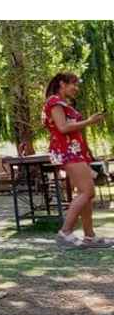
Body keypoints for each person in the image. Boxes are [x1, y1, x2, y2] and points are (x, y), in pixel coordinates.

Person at [43, 72, 109, 248]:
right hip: (68, 151)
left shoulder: (63, 103)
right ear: (62, 84)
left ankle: (89, 236)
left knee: (85, 193)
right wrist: (89, 121)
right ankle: (65, 233)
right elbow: (63, 127)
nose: (76, 88)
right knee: (88, 192)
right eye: (73, 84)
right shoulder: (54, 102)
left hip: (75, 151)